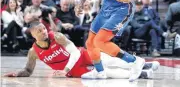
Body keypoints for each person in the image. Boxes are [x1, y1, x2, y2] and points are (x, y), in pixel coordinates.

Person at [4, 22, 159, 79]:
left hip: (80, 56)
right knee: (106, 73)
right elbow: (28, 70)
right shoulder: (33, 52)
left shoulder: (56, 36)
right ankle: (143, 73)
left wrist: (65, 69)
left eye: (44, 29)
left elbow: (75, 52)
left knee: (110, 60)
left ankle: (144, 64)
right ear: (32, 35)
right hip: (74, 70)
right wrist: (18, 73)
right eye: (39, 31)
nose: (44, 32)